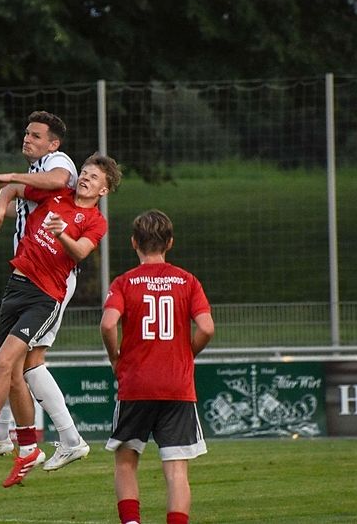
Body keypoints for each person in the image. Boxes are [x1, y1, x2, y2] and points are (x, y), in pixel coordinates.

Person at [0, 153, 122, 487]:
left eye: (93, 177)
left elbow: (80, 251)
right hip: (16, 284)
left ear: (103, 191)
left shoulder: (95, 220)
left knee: (8, 361)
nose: (85, 178)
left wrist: (61, 234)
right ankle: (29, 448)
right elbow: (17, 195)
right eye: (84, 172)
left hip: (45, 296)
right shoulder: (56, 195)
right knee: (13, 367)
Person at [0, 110, 89, 471]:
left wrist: (10, 177)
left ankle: (69, 439)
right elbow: (20, 206)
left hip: (50, 278)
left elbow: (58, 178)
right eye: (26, 133)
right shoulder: (37, 175)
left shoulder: (57, 163)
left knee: (27, 361)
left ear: (53, 143)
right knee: (6, 357)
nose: (27, 139)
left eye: (36, 135)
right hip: (28, 275)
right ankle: (4, 437)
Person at [100, 209, 215, 524]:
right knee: (176, 469)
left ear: (134, 242)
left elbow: (108, 324)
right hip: (177, 386)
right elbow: (206, 328)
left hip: (136, 384)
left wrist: (114, 357)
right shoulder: (188, 281)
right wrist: (186, 353)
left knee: (126, 461)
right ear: (170, 243)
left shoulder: (125, 282)